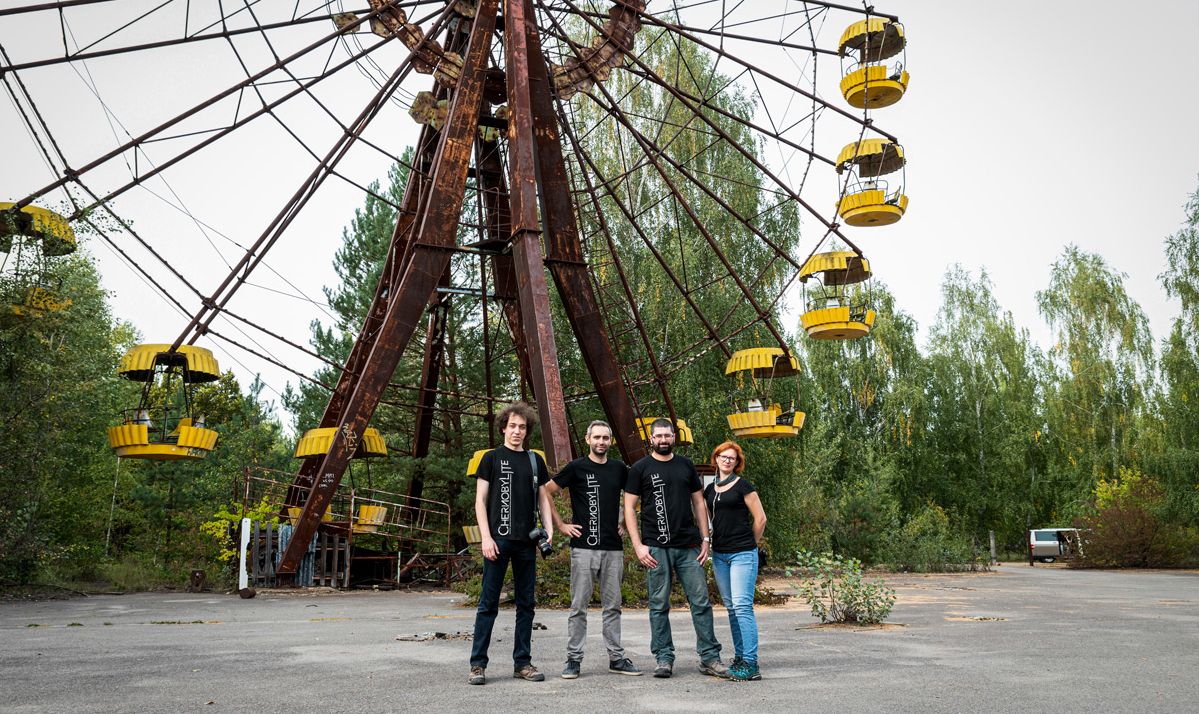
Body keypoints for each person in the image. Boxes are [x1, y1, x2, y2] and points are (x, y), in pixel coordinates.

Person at [624, 418, 727, 679]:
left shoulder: (685, 465)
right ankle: (663, 657)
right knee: (658, 605)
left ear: (674, 437)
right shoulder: (640, 468)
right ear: (651, 439)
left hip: (688, 546)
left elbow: (699, 503)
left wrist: (706, 539)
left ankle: (709, 657)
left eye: (667, 436)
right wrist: (638, 546)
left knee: (701, 602)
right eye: (658, 436)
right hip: (656, 548)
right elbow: (628, 509)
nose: (663, 440)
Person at [545, 420, 642, 679]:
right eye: (596, 437)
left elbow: (636, 495)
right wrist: (561, 525)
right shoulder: (577, 467)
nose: (601, 442)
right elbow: (545, 491)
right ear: (588, 439)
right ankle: (573, 660)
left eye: (605, 438)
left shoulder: (619, 468)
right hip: (583, 548)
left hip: (613, 548)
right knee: (579, 606)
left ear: (610, 441)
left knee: (613, 606)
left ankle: (617, 658)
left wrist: (624, 520)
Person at [468, 402, 554, 685]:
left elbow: (543, 498)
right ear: (503, 427)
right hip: (498, 542)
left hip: (526, 543)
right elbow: (480, 501)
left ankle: (523, 663)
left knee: (526, 605)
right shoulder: (490, 459)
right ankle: (478, 665)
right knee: (488, 604)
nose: (517, 431)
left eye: (522, 427)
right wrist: (486, 538)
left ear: (527, 431)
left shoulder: (534, 460)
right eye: (513, 426)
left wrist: (549, 530)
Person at [705, 441, 767, 682]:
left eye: (732, 458)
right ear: (716, 458)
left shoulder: (744, 486)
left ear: (737, 462)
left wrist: (749, 545)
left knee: (742, 606)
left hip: (742, 554)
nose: (727, 460)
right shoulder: (710, 490)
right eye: (723, 456)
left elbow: (760, 519)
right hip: (720, 555)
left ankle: (751, 663)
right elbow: (712, 520)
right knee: (731, 608)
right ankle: (740, 657)